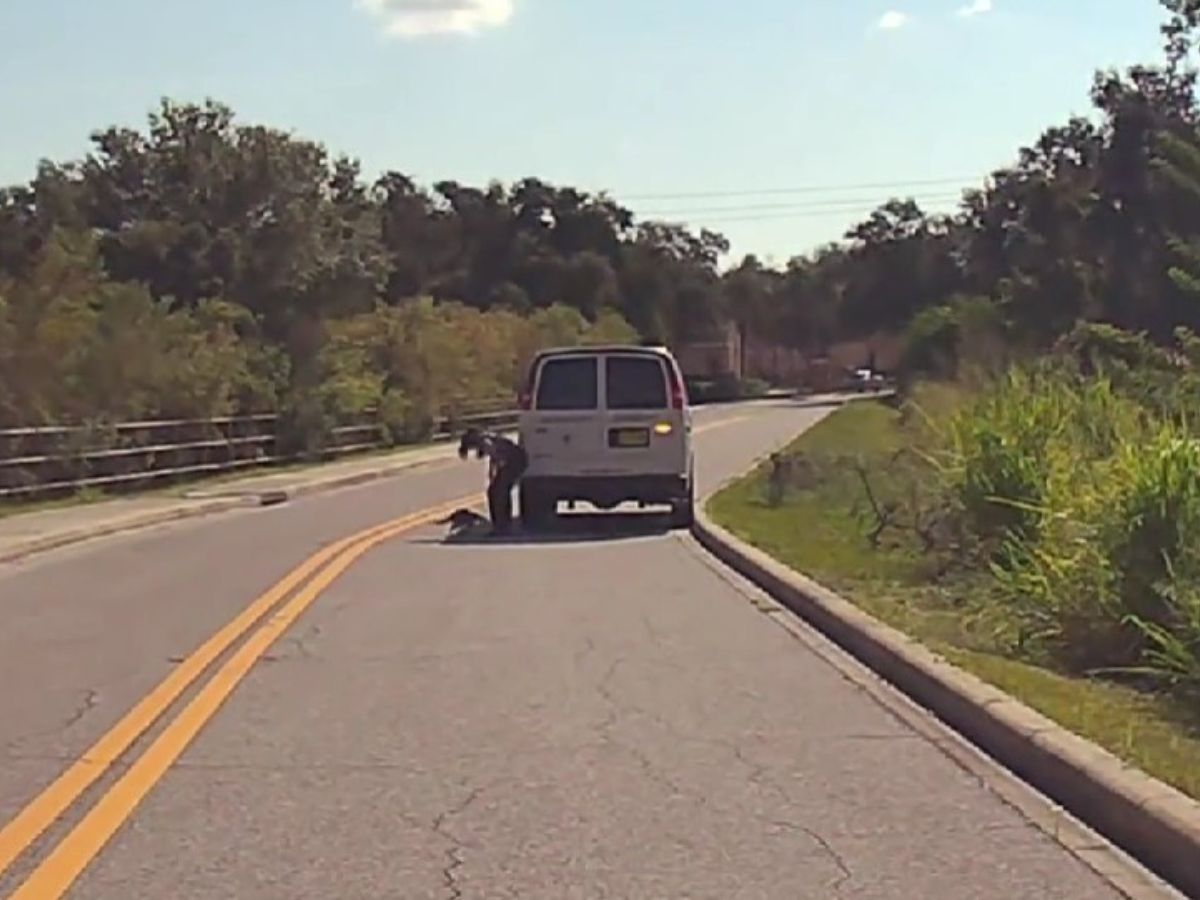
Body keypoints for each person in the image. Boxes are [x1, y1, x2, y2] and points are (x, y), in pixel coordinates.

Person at [457, 427, 529, 534]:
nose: (471, 450)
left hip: (515, 460)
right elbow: (494, 458)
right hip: (519, 458)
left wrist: (497, 471)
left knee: (497, 491)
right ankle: (503, 523)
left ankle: (500, 526)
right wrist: (493, 474)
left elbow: (495, 455)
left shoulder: (483, 441)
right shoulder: (485, 437)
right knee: (499, 491)